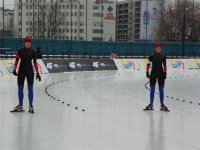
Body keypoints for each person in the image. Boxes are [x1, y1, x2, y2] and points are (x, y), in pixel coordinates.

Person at [11, 36, 41, 113]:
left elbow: (35, 63)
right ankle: (20, 105)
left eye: (29, 43)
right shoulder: (20, 51)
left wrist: (37, 72)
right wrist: (14, 69)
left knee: (30, 89)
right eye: (26, 43)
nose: (28, 44)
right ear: (24, 43)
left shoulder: (33, 52)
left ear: (30, 43)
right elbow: (16, 61)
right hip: (21, 72)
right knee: (20, 89)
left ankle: (31, 106)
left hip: (30, 72)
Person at [144, 43, 169, 111]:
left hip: (161, 74)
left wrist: (165, 73)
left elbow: (165, 66)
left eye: (159, 48)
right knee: (152, 89)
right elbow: (148, 64)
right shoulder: (151, 56)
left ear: (161, 49)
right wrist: (147, 72)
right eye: (157, 48)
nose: (158, 49)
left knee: (161, 90)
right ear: (155, 49)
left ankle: (162, 104)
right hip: (153, 74)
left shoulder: (163, 57)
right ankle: (151, 104)